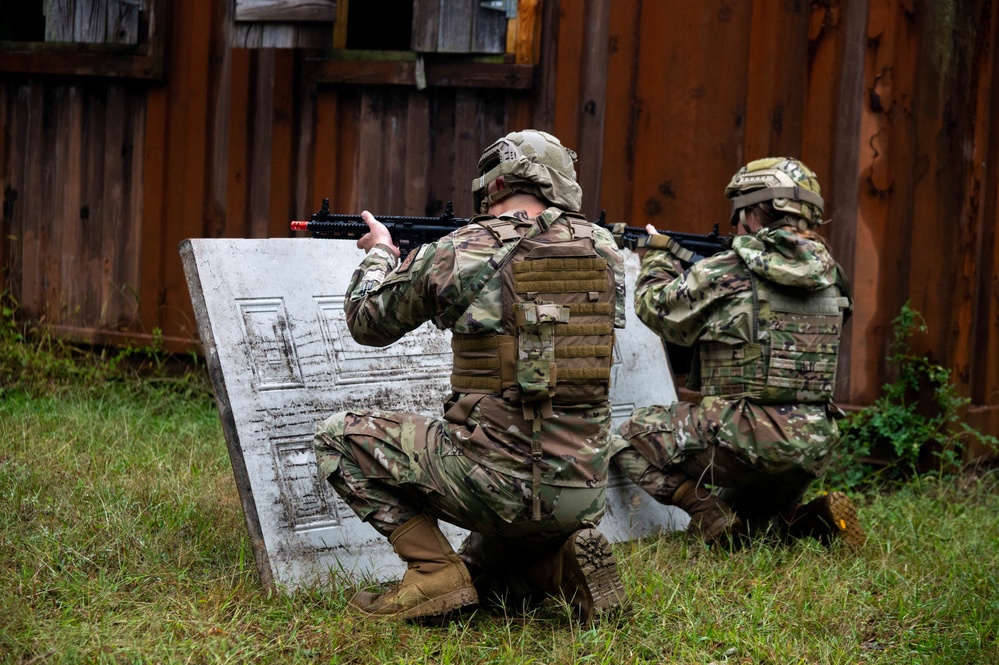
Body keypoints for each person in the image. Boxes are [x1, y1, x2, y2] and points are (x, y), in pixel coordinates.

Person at [313, 130, 629, 622]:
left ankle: (432, 571)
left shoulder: (460, 249)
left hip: (497, 485)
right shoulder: (606, 250)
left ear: (493, 183)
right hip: (583, 487)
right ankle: (556, 565)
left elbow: (366, 322)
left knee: (337, 439)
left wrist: (381, 253)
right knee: (484, 573)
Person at [611, 157, 865, 550]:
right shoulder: (835, 275)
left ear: (752, 210)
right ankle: (812, 517)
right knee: (748, 525)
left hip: (745, 440)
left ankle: (703, 509)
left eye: (738, 213)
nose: (735, 226)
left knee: (624, 437)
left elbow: (656, 309)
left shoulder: (729, 268)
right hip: (813, 443)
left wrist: (659, 254)